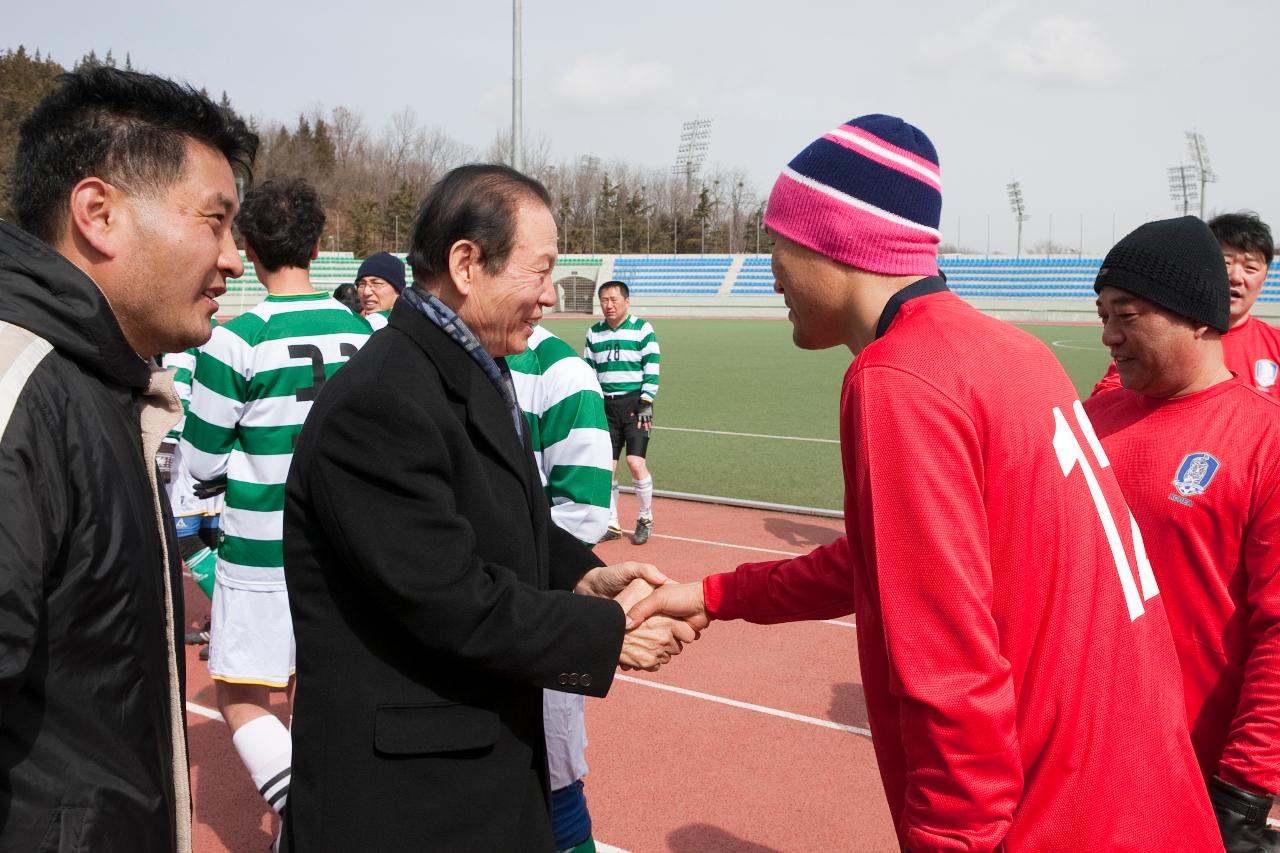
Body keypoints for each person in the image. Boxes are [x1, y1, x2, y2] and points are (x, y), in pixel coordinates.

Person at [627, 114, 1220, 851]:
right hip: (1142, 792)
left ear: (829, 240)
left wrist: (952, 839)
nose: (768, 262)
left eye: (776, 238)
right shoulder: (1011, 349)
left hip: (1057, 816)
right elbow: (885, 556)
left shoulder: (896, 377)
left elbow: (950, 664)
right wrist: (716, 593)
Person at [281, 164, 696, 851]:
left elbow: (498, 523)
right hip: (406, 805)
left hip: (465, 774)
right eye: (540, 273)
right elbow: (448, 594)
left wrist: (583, 576)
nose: (549, 297)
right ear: (467, 263)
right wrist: (606, 630)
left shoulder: (468, 365)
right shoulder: (383, 398)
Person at [0, 67, 256, 852]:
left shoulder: (103, 383)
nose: (234, 259)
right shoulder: (22, 380)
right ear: (99, 213)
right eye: (215, 221)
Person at [1084, 216, 1280, 853]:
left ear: (1198, 316)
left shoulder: (1266, 442)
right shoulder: (1084, 423)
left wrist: (1245, 791)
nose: (1109, 336)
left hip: (1194, 775)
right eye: (1104, 313)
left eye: (1129, 315)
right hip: (1078, 756)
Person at [181, 177, 372, 821]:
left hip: (264, 551)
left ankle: (303, 816)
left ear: (248, 247)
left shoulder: (235, 338)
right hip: (348, 547)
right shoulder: (365, 333)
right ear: (318, 244)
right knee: (323, 687)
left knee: (240, 693)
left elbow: (201, 460)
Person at [509, 325, 614, 853]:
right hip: (448, 616)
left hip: (531, 614)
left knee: (553, 775)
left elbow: (586, 511)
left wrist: (494, 583)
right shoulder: (417, 363)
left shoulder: (560, 372)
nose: (549, 294)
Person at [1092, 211, 1280, 397]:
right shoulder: (1144, 348)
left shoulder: (1275, 346)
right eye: (1225, 263)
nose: (1236, 277)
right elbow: (1109, 398)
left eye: (1251, 268)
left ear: (1264, 278)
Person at [583, 280, 661, 544]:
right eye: (604, 300)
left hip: (635, 405)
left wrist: (646, 401)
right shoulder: (594, 333)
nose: (609, 305)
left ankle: (645, 517)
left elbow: (652, 365)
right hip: (606, 406)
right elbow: (589, 372)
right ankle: (612, 523)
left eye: (614, 300)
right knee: (609, 467)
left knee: (635, 463)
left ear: (626, 301)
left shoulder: (642, 329)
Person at [355, 250, 406, 330]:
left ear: (398, 291)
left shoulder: (410, 327)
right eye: (362, 284)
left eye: (376, 284)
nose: (366, 292)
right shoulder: (352, 323)